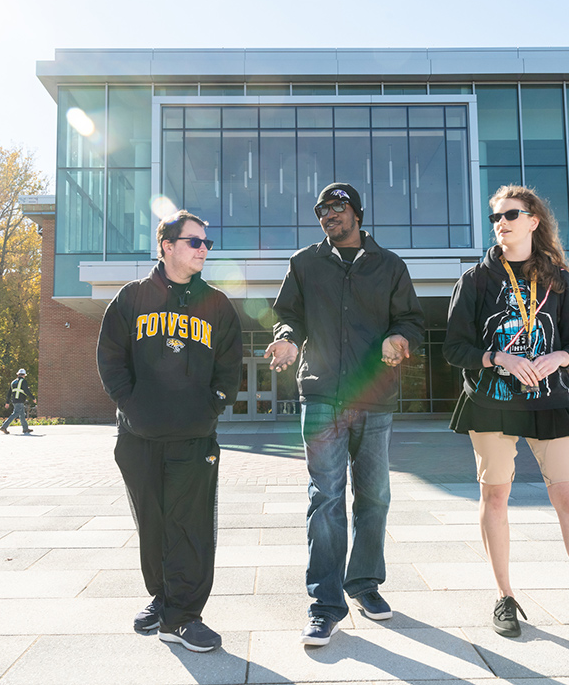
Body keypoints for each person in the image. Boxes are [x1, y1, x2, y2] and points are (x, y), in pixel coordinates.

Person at [444, 185, 569, 654]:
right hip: (491, 401)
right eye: (495, 217)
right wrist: (499, 359)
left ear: (533, 220)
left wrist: (557, 361)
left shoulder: (558, 280)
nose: (501, 222)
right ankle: (505, 597)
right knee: (496, 496)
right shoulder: (474, 279)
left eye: (511, 214)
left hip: (549, 402)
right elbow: (454, 350)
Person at [265, 182, 425, 646]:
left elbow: (411, 319)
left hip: (375, 399)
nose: (327, 216)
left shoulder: (390, 265)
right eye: (321, 210)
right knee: (325, 498)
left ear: (356, 212)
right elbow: (287, 314)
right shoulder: (304, 263)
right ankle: (325, 603)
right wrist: (288, 338)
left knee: (374, 496)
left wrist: (401, 339)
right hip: (321, 399)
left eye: (336, 208)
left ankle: (365, 584)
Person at [97, 210, 242, 653]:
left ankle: (183, 616)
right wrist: (131, 405)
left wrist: (210, 408)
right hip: (139, 437)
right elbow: (110, 358)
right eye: (194, 242)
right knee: (153, 525)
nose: (204, 250)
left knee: (191, 526)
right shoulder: (132, 297)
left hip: (194, 438)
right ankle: (163, 599)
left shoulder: (216, 304)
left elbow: (230, 368)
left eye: (206, 244)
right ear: (167, 246)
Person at [0, 368, 36, 435]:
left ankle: (25, 429)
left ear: (18, 374)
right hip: (19, 401)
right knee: (15, 413)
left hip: (14, 400)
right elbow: (27, 391)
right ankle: (4, 426)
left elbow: (9, 393)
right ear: (24, 375)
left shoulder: (13, 382)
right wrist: (33, 398)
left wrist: (7, 402)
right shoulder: (23, 381)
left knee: (22, 414)